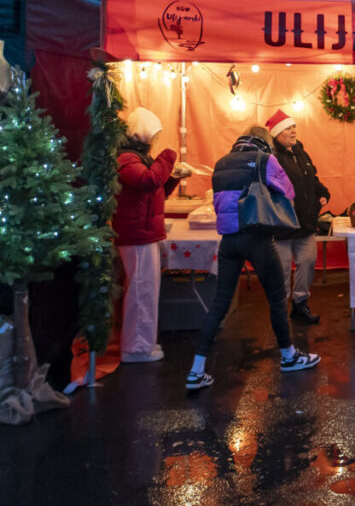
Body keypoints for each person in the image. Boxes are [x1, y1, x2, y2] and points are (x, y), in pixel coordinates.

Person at [186, 126, 320, 391]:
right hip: (258, 236)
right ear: (265, 141)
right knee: (276, 298)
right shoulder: (264, 159)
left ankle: (196, 369)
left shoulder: (221, 162)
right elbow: (288, 191)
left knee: (220, 303)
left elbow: (219, 202)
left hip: (229, 240)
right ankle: (289, 356)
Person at [112, 107, 191, 363]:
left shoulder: (139, 159)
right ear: (143, 133)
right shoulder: (126, 159)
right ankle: (136, 348)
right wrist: (168, 156)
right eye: (155, 135)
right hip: (137, 235)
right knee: (140, 291)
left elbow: (155, 191)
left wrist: (173, 178)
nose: (156, 140)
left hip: (144, 233)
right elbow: (148, 181)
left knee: (145, 290)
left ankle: (143, 343)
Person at [266, 110, 330, 325]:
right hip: (282, 226)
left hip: (306, 223)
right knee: (282, 270)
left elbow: (312, 178)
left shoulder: (301, 153)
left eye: (294, 127)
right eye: (288, 128)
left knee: (308, 263)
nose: (293, 131)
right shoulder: (271, 157)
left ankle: (300, 304)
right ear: (277, 134)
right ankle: (280, 311)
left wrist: (322, 192)